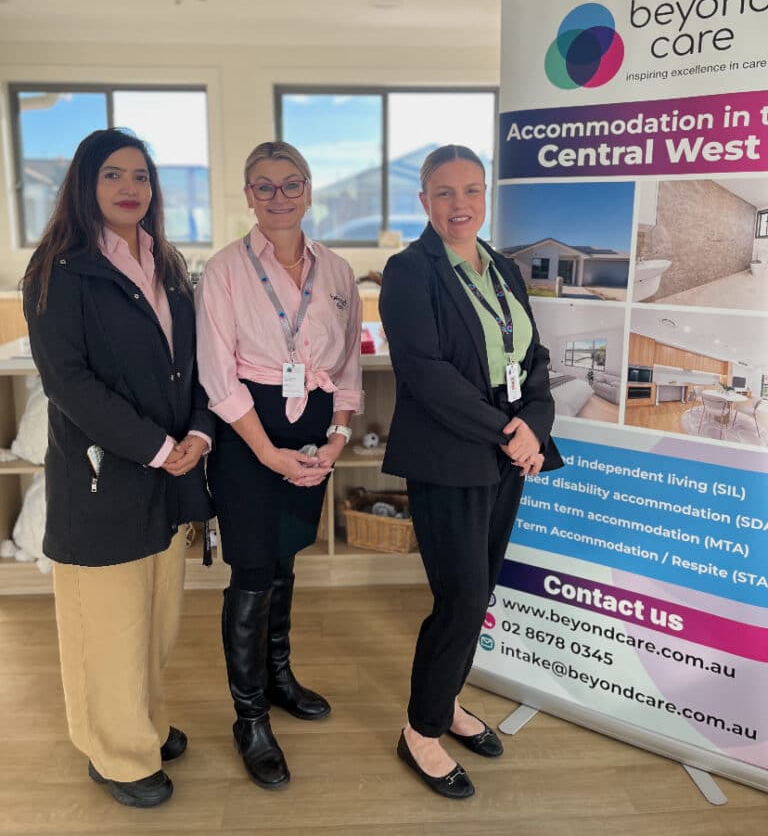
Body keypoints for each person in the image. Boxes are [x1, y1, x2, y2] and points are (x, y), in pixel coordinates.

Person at [22, 128, 213, 808]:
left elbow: (190, 363)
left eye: (141, 175)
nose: (130, 187)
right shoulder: (58, 271)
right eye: (112, 175)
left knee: (153, 618)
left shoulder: (165, 264)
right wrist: (162, 448)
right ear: (84, 185)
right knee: (106, 629)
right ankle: (117, 753)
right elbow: (70, 384)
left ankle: (144, 724)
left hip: (168, 473)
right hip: (107, 478)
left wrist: (197, 430)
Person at [379, 144, 563, 799]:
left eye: (473, 191)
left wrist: (534, 425)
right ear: (424, 201)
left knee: (477, 595)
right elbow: (425, 373)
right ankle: (421, 731)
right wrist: (507, 430)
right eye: (446, 192)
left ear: (486, 197)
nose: (461, 205)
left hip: (504, 454)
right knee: (459, 598)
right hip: (449, 455)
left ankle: (447, 701)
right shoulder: (409, 271)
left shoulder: (503, 270)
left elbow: (533, 356)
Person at [195, 140, 362, 790]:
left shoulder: (338, 271)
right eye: (264, 186)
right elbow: (216, 370)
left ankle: (279, 675)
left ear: (310, 188)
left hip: (314, 426)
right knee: (252, 565)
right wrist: (267, 453)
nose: (279, 196)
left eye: (290, 184)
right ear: (248, 196)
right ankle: (250, 716)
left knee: (288, 552)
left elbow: (345, 365)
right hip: (248, 430)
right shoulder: (225, 270)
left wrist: (340, 436)